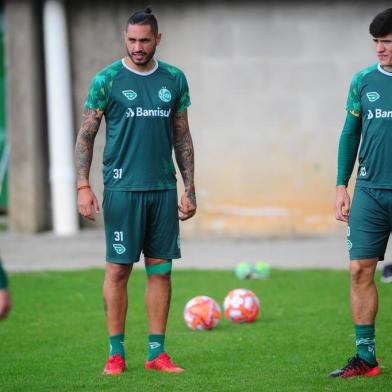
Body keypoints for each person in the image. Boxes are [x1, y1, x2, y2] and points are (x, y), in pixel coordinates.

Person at [75, 8, 196, 375]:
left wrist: (189, 187)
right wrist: (83, 185)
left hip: (162, 190)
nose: (137, 47)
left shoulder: (174, 79)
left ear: (158, 39)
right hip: (123, 190)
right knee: (118, 271)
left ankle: (156, 354)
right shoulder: (107, 80)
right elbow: (86, 135)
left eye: (144, 40)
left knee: (161, 272)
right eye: (131, 40)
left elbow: (182, 135)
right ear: (124, 38)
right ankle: (116, 354)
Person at [331, 8, 392, 378]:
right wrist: (342, 183)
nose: (379, 49)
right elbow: (349, 134)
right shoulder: (363, 81)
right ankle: (366, 358)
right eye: (376, 43)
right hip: (369, 191)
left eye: (387, 42)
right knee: (359, 270)